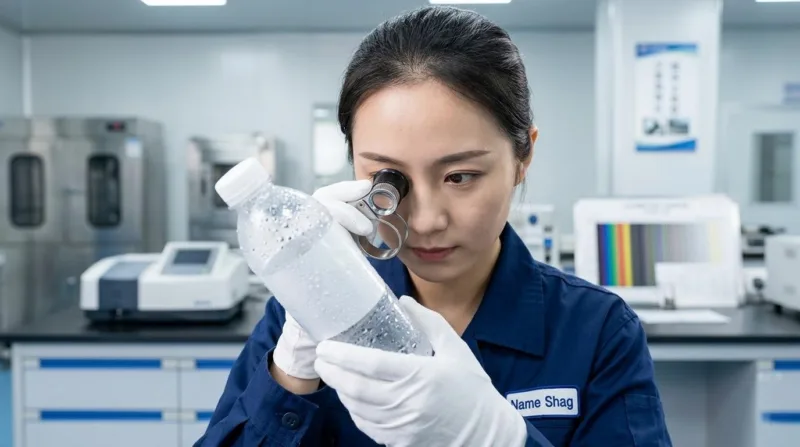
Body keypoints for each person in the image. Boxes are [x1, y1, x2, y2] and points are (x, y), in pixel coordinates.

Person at [196, 6, 672, 447]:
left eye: (460, 177)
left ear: (523, 156)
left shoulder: (596, 331)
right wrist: (291, 378)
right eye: (389, 180)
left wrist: (498, 438)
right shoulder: (299, 318)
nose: (424, 220)